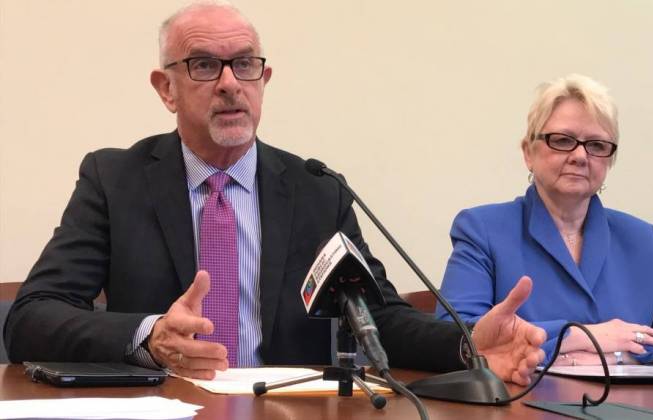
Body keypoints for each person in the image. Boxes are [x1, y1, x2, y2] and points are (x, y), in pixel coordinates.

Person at [3, 2, 545, 385]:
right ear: (165, 88)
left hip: (284, 410)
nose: (229, 83)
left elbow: (379, 317)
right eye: (203, 65)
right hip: (163, 405)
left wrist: (467, 344)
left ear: (264, 79)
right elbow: (32, 317)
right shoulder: (114, 179)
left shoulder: (315, 190)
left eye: (244, 64)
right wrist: (148, 337)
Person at [436, 74, 653, 366]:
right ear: (529, 152)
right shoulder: (481, 229)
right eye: (563, 140)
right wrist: (581, 337)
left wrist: (624, 351)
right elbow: (456, 337)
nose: (580, 156)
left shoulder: (643, 239)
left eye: (596, 145)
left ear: (609, 160)